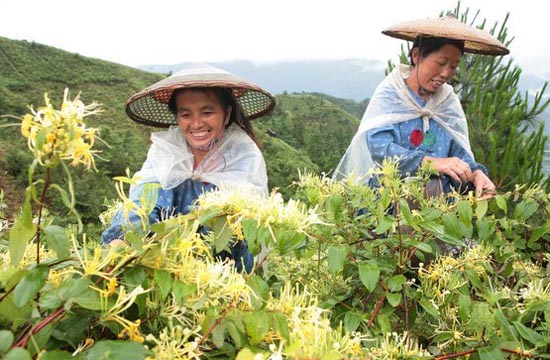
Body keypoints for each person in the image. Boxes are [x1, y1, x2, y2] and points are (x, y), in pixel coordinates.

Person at [101, 63, 276, 272]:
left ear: (226, 114)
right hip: (165, 252)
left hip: (225, 263)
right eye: (185, 115)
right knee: (153, 194)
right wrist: (123, 239)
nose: (196, 123)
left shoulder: (242, 153)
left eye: (207, 112)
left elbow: (245, 222)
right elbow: (144, 196)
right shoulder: (167, 147)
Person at [333, 16, 509, 198]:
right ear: (416, 56)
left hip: (438, 208)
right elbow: (380, 149)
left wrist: (476, 173)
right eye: (441, 63)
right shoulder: (392, 94)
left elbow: (459, 154)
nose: (446, 73)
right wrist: (431, 163)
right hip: (389, 204)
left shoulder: (447, 101)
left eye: (454, 66)